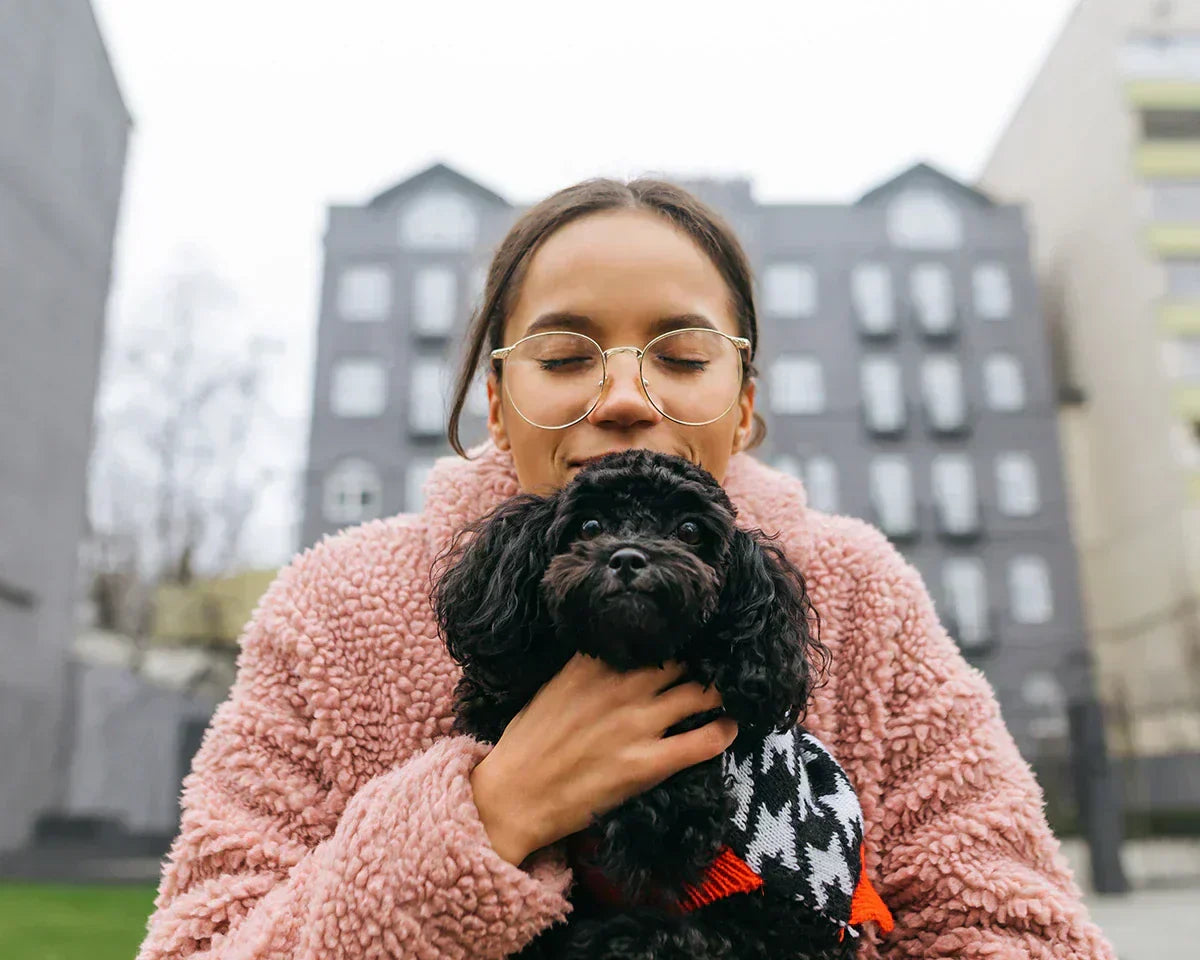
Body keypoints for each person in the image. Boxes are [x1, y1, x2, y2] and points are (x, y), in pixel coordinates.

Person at [136, 179, 1115, 960]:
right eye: (565, 356)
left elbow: (1019, 929)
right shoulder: (334, 612)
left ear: (742, 405)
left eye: (682, 356)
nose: (624, 396)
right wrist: (489, 814)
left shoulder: (858, 594)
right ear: (497, 400)